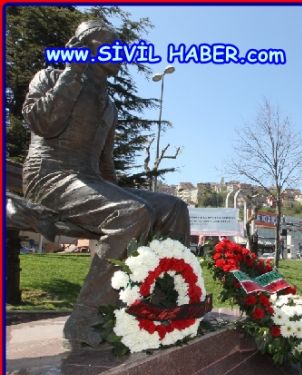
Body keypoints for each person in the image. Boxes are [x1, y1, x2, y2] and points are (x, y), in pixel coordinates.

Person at [22, 20, 190, 346]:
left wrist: (119, 193)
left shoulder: (108, 104)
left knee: (173, 207)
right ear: (83, 47)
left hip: (88, 180)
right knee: (131, 213)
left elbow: (105, 166)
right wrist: (72, 69)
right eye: (109, 45)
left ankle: (162, 303)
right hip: (49, 177)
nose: (119, 53)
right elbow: (44, 122)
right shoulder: (51, 77)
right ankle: (86, 319)